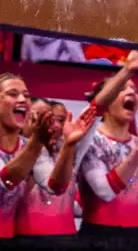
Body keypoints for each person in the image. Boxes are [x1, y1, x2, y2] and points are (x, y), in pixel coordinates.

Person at [65, 57, 138, 246]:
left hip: (136, 241)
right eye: (121, 88)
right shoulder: (91, 141)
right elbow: (104, 191)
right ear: (105, 102)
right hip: (97, 241)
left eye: (135, 90)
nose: (131, 91)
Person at [15, 99, 86, 242]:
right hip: (25, 241)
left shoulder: (65, 152)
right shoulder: (15, 150)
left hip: (67, 241)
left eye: (59, 120)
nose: (53, 125)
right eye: (37, 118)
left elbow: (58, 191)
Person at [0, 75, 52, 238]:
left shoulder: (27, 145)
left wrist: (70, 148)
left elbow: (54, 187)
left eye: (26, 95)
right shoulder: (33, 145)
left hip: (10, 245)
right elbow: (5, 183)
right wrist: (36, 142)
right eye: (13, 94)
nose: (22, 99)